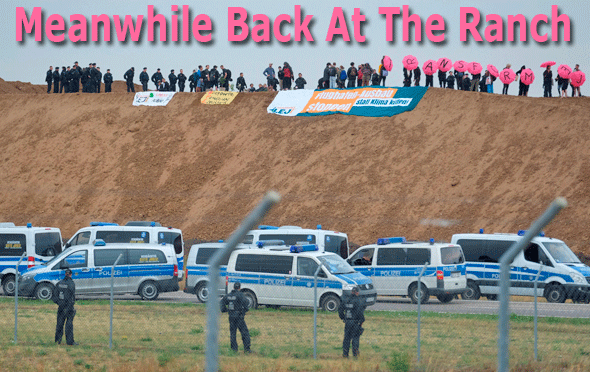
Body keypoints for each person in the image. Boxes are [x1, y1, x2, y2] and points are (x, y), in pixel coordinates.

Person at [220, 282, 251, 353]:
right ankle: (247, 349)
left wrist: (225, 310)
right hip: (239, 316)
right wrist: (244, 311)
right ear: (239, 288)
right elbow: (246, 302)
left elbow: (221, 303)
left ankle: (234, 349)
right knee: (244, 332)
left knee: (233, 333)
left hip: (231, 316)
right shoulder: (240, 295)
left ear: (234, 287)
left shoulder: (228, 295)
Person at [338, 286, 365, 358]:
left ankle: (345, 354)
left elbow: (340, 309)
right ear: (357, 292)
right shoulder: (359, 301)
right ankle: (355, 355)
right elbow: (360, 313)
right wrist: (362, 321)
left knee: (346, 338)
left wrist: (343, 318)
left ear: (351, 292)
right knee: (355, 338)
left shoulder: (346, 300)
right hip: (356, 322)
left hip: (348, 322)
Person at [54, 269, 77, 346]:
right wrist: (71, 306)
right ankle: (70, 342)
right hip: (68, 306)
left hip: (61, 306)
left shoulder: (59, 283)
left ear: (65, 274)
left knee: (59, 324)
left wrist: (59, 303)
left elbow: (54, 296)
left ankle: (58, 340)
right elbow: (72, 296)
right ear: (70, 274)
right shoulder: (71, 283)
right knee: (69, 324)